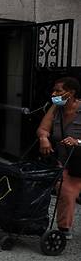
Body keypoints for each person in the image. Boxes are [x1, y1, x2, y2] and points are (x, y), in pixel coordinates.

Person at [36, 76, 81, 240]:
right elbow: (43, 128)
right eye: (54, 90)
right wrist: (44, 138)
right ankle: (64, 229)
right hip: (67, 163)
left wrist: (78, 141)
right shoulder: (56, 108)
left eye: (58, 91)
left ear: (71, 93)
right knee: (66, 192)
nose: (54, 94)